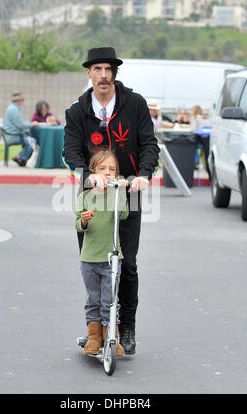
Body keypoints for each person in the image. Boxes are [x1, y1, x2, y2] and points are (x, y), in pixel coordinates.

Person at [63, 47, 160, 354]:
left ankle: (125, 327)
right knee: (93, 265)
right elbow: (70, 153)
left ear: (115, 74)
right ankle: (97, 329)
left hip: (125, 194)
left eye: (108, 69)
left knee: (126, 264)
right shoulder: (77, 111)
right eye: (97, 69)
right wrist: (87, 177)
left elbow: (150, 146)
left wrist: (144, 174)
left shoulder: (135, 104)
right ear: (89, 73)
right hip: (92, 197)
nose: (103, 75)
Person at [74, 150, 128, 357]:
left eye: (112, 169)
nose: (107, 173)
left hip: (112, 258)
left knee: (110, 299)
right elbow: (79, 224)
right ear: (93, 172)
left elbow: (122, 214)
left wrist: (121, 191)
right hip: (89, 258)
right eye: (102, 168)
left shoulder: (116, 196)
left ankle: (111, 337)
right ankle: (94, 337)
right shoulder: (85, 197)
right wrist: (85, 220)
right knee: (93, 299)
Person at [3, 91, 38, 167]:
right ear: (19, 100)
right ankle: (20, 157)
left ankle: (22, 158)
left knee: (29, 139)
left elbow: (19, 123)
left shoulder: (11, 108)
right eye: (22, 100)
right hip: (13, 136)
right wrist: (32, 124)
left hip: (10, 135)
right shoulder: (14, 110)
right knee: (33, 142)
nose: (23, 102)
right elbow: (21, 125)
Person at [190, 105, 211, 179]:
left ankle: (194, 164)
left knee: (190, 148)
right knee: (207, 156)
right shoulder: (205, 118)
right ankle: (210, 173)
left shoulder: (194, 118)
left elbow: (194, 130)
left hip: (199, 139)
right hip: (207, 139)